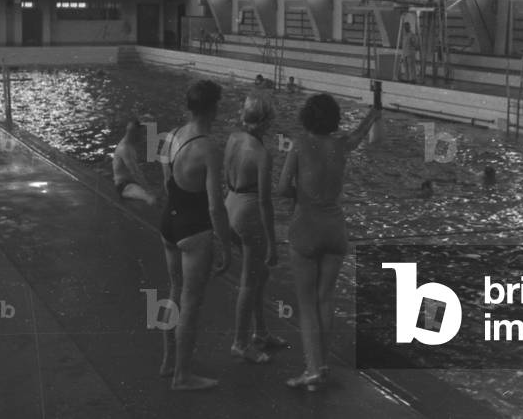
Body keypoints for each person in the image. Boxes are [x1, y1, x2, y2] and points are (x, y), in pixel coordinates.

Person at [276, 95, 380, 391]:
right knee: (326, 298)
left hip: (306, 228)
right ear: (333, 119)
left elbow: (283, 187)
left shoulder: (298, 146)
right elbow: (359, 135)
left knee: (307, 303)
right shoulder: (340, 145)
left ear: (307, 116)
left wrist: (300, 196)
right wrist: (373, 114)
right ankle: (322, 366)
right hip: (336, 230)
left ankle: (311, 370)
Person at [158, 80, 231, 391]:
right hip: (194, 230)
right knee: (190, 302)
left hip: (168, 224)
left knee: (173, 292)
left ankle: (168, 361)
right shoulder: (208, 147)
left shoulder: (171, 136)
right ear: (214, 108)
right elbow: (215, 207)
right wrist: (226, 245)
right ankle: (183, 376)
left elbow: (166, 184)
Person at [224, 95, 283, 364]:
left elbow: (226, 176)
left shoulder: (233, 139)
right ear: (266, 122)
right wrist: (272, 242)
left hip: (229, 206)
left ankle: (261, 331)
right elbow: (265, 202)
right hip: (249, 214)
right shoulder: (262, 154)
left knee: (261, 274)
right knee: (249, 281)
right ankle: (240, 342)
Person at [112, 120, 158, 206]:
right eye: (141, 134)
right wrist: (149, 190)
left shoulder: (129, 145)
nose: (143, 136)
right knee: (151, 199)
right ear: (135, 133)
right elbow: (135, 172)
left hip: (131, 182)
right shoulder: (125, 149)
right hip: (125, 187)